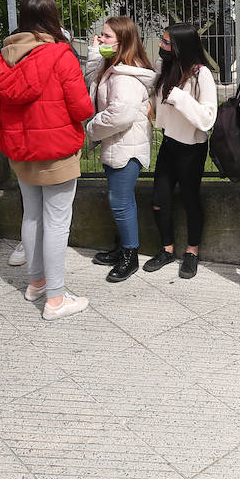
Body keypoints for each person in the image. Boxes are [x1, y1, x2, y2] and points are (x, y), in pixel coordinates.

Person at [0, 0, 95, 320]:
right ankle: (56, 299)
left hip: (20, 149)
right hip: (56, 150)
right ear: (52, 17)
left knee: (32, 215)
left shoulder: (3, 57)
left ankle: (36, 283)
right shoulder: (60, 55)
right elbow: (81, 107)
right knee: (57, 224)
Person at [84, 16, 155, 284]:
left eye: (106, 37)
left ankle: (130, 256)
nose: (101, 39)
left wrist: (92, 128)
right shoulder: (113, 66)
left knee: (121, 202)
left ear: (122, 42)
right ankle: (124, 246)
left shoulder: (125, 77)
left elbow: (120, 115)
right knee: (120, 201)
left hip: (126, 147)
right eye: (101, 35)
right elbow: (93, 80)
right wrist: (94, 52)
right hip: (118, 144)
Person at [145, 23, 218, 279]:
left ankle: (192, 252)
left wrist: (179, 97)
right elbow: (154, 100)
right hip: (169, 143)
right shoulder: (165, 68)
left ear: (181, 46)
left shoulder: (201, 75)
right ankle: (166, 249)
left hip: (192, 148)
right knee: (158, 200)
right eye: (162, 41)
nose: (162, 47)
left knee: (190, 200)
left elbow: (207, 119)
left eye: (167, 43)